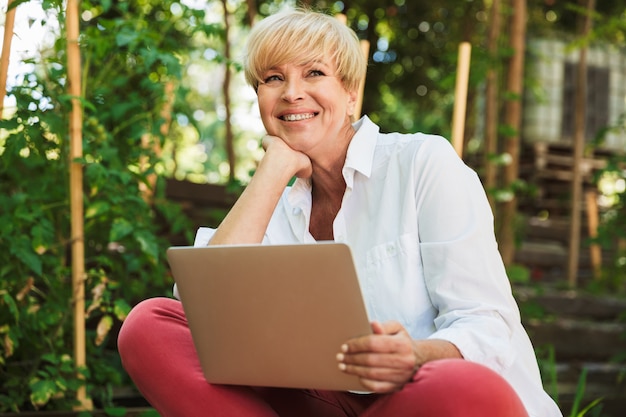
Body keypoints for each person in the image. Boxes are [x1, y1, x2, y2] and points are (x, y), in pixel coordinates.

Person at [118, 8, 563, 417]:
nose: (292, 93)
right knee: (149, 327)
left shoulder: (422, 162)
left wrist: (415, 354)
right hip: (326, 401)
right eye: (273, 79)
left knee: (458, 384)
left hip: (425, 395)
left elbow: (487, 323)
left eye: (314, 73)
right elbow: (200, 306)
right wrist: (270, 175)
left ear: (350, 93)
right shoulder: (271, 204)